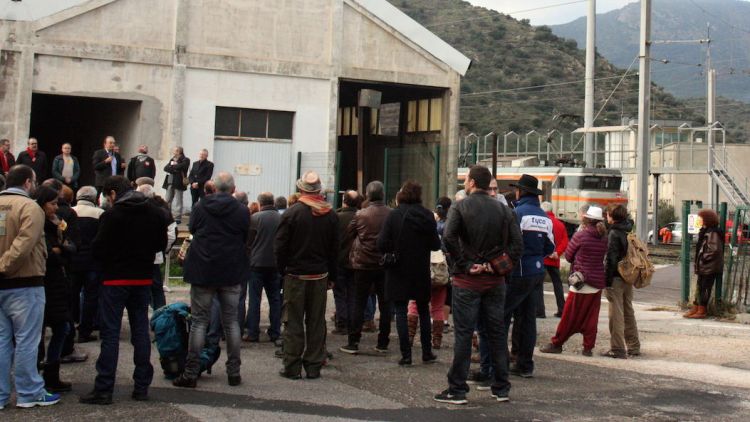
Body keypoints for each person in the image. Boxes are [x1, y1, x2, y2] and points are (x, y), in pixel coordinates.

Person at [434, 165, 523, 405]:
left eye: (466, 180)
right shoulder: (504, 211)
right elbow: (517, 246)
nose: (464, 183)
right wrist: (496, 266)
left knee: (464, 333)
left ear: (472, 183)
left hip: (467, 280)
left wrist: (467, 263)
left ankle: (457, 389)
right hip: (495, 281)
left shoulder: (460, 206)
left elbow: (449, 238)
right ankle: (501, 387)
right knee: (496, 332)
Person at [80, 176, 168, 405]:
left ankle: (104, 388)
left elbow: (98, 248)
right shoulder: (155, 213)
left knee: (110, 333)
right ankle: (141, 386)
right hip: (142, 277)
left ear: (111, 193)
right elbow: (160, 245)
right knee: (140, 330)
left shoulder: (112, 215)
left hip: (115, 278)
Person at [172, 172, 250, 388]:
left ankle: (191, 371)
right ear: (233, 189)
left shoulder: (201, 206)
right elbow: (245, 236)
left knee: (199, 321)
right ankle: (234, 372)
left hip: (203, 268)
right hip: (231, 269)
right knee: (231, 322)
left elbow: (194, 229)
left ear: (214, 188)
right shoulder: (242, 210)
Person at [0, 165, 61, 408]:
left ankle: (1, 394)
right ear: (27, 182)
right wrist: (3, 265)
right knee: (27, 339)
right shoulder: (30, 207)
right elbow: (24, 243)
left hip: (4, 285)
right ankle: (29, 392)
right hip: (25, 282)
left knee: (2, 340)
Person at [275, 171, 338, 380]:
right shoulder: (330, 215)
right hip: (320, 276)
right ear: (319, 191)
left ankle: (292, 366)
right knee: (317, 322)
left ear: (301, 189)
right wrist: (332, 276)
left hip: (295, 276)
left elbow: (280, 247)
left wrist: (282, 269)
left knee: (292, 321)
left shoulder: (292, 214)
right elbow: (334, 249)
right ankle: (313, 366)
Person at [378, 181, 441, 366]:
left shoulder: (393, 215)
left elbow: (381, 243)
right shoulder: (427, 215)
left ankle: (406, 355)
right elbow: (436, 245)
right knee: (423, 310)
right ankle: (427, 352)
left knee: (400, 310)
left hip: (398, 269)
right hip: (420, 269)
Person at [540, 206, 608, 357]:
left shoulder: (581, 235)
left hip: (580, 282)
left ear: (586, 219)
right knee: (591, 318)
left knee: (569, 316)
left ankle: (557, 343)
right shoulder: (604, 237)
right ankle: (588, 348)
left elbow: (569, 256)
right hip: (596, 283)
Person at [504, 174, 554, 378]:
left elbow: (510, 242)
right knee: (527, 320)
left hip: (518, 271)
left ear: (521, 192)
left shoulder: (518, 214)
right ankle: (525, 364)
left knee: (502, 314)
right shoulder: (544, 217)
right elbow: (550, 246)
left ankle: (499, 361)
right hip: (537, 271)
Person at [340, 181, 392, 355]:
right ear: (383, 194)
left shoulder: (361, 214)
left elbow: (349, 233)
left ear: (368, 196)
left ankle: (353, 341)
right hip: (384, 263)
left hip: (363, 263)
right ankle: (383, 342)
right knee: (385, 304)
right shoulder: (391, 214)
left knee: (359, 301)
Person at [34, 186, 74, 393]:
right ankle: (39, 371)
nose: (55, 208)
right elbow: (49, 254)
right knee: (39, 332)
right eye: (52, 203)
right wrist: (61, 251)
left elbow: (70, 247)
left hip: (59, 284)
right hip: (45, 283)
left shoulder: (58, 223)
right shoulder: (37, 224)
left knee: (62, 328)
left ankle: (51, 372)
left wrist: (63, 249)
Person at [602, 204, 640, 358]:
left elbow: (611, 259)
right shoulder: (628, 229)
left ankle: (617, 348)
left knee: (616, 313)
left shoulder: (613, 233)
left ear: (611, 216)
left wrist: (607, 281)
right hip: (628, 275)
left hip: (616, 277)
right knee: (628, 310)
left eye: (607, 214)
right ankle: (633, 346)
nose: (606, 217)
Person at [245, 192, 282, 344]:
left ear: (260, 203)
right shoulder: (281, 218)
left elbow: (248, 241)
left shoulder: (255, 218)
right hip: (275, 264)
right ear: (273, 202)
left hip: (256, 263)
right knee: (275, 299)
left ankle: (253, 332)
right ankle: (275, 332)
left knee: (255, 299)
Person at [71, 186, 104, 343]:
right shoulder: (100, 214)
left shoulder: (71, 212)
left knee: (71, 295)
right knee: (91, 297)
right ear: (94, 198)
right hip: (93, 261)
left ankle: (70, 328)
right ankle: (85, 330)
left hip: (73, 260)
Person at [136, 184, 177, 310]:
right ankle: (160, 318)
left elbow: (171, 233)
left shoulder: (136, 210)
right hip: (154, 255)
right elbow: (172, 234)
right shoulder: (163, 210)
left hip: (140, 256)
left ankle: (156, 316)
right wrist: (163, 249)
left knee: (145, 289)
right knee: (156, 288)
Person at [684, 209, 724, 320]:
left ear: (707, 219)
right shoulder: (706, 230)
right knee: (699, 287)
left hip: (709, 266)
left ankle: (702, 310)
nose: (699, 220)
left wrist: (703, 259)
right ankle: (696, 307)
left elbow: (714, 250)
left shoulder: (713, 232)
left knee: (705, 288)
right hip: (704, 265)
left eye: (701, 218)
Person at [333, 191, 362, 335]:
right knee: (353, 293)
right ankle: (352, 322)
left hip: (340, 260)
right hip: (356, 261)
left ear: (344, 201)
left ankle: (342, 322)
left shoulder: (336, 217)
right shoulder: (361, 217)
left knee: (339, 293)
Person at [541, 201, 569, 318]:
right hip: (555, 259)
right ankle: (562, 309)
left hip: (543, 259)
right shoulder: (560, 224)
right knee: (557, 284)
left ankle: (540, 311)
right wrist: (557, 253)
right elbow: (565, 241)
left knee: (538, 285)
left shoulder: (542, 222)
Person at [162, 147, 190, 224]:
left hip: (179, 182)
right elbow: (165, 168)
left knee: (178, 200)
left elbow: (182, 166)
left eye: (174, 151)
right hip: (170, 182)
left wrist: (173, 167)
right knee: (167, 200)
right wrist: (175, 168)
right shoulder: (172, 159)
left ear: (179, 152)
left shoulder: (186, 159)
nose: (173, 152)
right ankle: (167, 215)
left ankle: (177, 218)